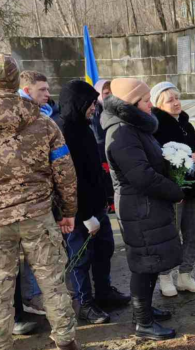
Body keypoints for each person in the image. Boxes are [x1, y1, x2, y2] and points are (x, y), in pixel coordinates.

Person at [0, 54, 80, 350]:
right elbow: (65, 170)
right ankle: (65, 340)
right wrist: (69, 210)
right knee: (53, 282)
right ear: (15, 78)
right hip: (37, 215)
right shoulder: (42, 121)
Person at [101, 78, 184, 340]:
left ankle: (144, 311)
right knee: (144, 263)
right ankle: (143, 323)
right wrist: (174, 190)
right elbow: (142, 176)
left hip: (147, 205)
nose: (151, 104)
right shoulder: (122, 131)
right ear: (131, 103)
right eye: (147, 100)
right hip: (139, 207)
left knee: (150, 262)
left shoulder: (134, 126)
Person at [59, 80, 131, 325]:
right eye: (90, 103)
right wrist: (85, 214)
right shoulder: (65, 131)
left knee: (104, 250)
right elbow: (70, 179)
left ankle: (104, 292)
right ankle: (84, 303)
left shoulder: (83, 126)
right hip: (78, 212)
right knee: (80, 258)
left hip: (95, 205)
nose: (94, 107)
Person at [150, 82, 195, 297]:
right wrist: (186, 158)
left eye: (177, 98)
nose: (176, 103)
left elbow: (194, 151)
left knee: (193, 232)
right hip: (171, 189)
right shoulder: (156, 126)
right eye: (170, 100)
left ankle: (185, 275)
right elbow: (159, 159)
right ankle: (165, 277)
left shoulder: (186, 123)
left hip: (191, 186)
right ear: (159, 104)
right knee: (171, 234)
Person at [16, 70, 52, 314]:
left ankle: (30, 299)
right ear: (26, 91)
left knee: (36, 257)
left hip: (37, 201)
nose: (48, 95)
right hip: (17, 203)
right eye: (42, 90)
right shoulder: (19, 118)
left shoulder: (45, 116)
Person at [91, 79, 115, 213]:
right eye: (106, 93)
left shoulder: (117, 109)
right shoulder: (95, 112)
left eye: (112, 92)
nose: (110, 96)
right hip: (102, 152)